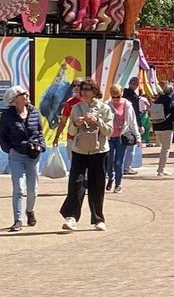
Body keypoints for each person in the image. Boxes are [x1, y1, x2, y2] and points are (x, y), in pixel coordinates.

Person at [60, 78, 113, 231]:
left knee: (97, 184)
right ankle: (71, 217)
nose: (83, 92)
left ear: (95, 91)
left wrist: (97, 120)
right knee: (76, 183)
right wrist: (77, 123)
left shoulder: (104, 108)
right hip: (79, 150)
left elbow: (109, 131)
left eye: (87, 89)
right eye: (82, 89)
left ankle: (98, 219)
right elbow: (70, 131)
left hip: (99, 150)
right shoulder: (76, 107)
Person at [0, 84, 46, 232]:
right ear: (14, 99)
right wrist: (9, 149)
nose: (27, 95)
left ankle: (30, 211)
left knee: (32, 190)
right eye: (23, 94)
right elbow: (2, 135)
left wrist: (41, 145)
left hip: (33, 155)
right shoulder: (7, 115)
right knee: (18, 188)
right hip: (16, 155)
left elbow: (39, 132)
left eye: (26, 93)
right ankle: (18, 220)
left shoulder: (34, 113)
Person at [106, 84, 140, 193]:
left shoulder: (128, 105)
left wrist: (138, 137)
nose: (115, 99)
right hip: (109, 137)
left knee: (118, 162)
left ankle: (118, 184)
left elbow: (132, 122)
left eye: (118, 96)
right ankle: (110, 177)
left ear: (122, 94)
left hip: (122, 137)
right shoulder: (106, 105)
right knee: (109, 161)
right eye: (113, 96)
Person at [150, 83, 174, 176]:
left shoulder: (157, 101)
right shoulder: (171, 103)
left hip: (156, 126)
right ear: (171, 92)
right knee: (165, 149)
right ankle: (161, 169)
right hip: (167, 128)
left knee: (163, 148)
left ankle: (161, 169)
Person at [52, 77, 84, 157]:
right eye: (74, 85)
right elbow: (63, 121)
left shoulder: (89, 101)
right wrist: (57, 137)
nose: (76, 87)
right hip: (72, 137)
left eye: (79, 85)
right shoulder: (69, 102)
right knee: (73, 164)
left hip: (86, 137)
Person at [122, 76, 142, 176]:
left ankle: (119, 166)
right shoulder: (134, 97)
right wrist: (140, 125)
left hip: (120, 123)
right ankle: (127, 167)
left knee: (120, 146)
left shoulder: (122, 93)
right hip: (130, 123)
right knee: (131, 146)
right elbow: (137, 112)